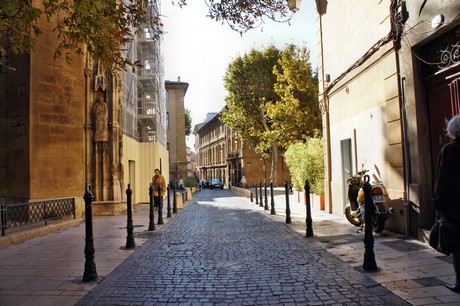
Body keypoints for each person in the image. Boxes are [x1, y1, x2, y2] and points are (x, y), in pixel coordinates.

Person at [433, 115, 460, 293]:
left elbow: (441, 181)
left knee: (458, 248)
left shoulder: (449, 150)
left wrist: (439, 206)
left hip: (456, 209)